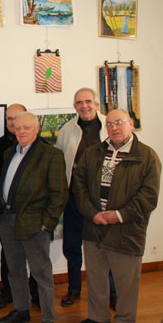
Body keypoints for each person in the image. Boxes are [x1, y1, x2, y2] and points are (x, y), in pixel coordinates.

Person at [73, 109, 161, 323]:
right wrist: (93, 214)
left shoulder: (147, 156)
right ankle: (98, 318)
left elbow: (148, 197)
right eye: (110, 124)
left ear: (131, 123)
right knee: (95, 280)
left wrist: (119, 215)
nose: (114, 128)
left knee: (126, 285)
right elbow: (79, 186)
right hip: (94, 228)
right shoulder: (93, 153)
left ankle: (124, 319)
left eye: (119, 122)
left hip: (127, 231)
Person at [0, 112, 68, 323]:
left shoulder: (51, 155)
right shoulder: (9, 153)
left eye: (26, 127)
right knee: (15, 270)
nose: (22, 131)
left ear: (37, 129)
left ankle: (47, 317)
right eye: (17, 128)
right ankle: (21, 311)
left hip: (35, 224)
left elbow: (59, 193)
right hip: (8, 221)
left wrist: (48, 223)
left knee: (41, 274)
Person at [56, 88, 117, 309]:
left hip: (103, 200)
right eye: (79, 102)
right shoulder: (67, 130)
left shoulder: (109, 127)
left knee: (105, 245)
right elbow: (61, 162)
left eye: (88, 101)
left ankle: (111, 291)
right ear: (74, 107)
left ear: (97, 104)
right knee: (72, 245)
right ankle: (74, 288)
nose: (84, 106)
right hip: (73, 199)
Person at [0, 104, 38, 310]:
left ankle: (35, 294)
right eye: (9, 118)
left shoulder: (42, 147)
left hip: (32, 215)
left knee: (36, 258)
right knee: (8, 258)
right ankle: (8, 292)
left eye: (17, 118)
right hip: (6, 214)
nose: (13, 123)